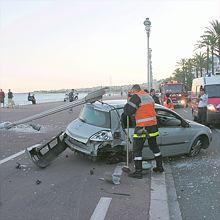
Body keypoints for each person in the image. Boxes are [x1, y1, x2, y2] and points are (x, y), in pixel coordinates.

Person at [123, 84, 164, 179]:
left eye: (132, 92)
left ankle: (138, 172)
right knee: (154, 147)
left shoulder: (136, 97)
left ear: (134, 91)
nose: (132, 93)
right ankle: (159, 167)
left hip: (142, 127)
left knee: (137, 150)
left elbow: (128, 111)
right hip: (153, 126)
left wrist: (128, 101)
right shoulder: (148, 96)